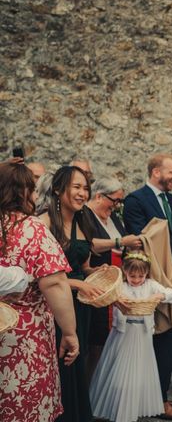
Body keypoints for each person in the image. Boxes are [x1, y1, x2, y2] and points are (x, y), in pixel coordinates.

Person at [123, 153, 172, 420]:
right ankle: (141, 397)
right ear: (156, 172)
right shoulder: (136, 200)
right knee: (150, 339)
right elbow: (142, 242)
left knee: (170, 337)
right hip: (150, 280)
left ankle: (158, 399)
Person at [0, 162, 79, 422]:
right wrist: (69, 333)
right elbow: (55, 283)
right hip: (23, 343)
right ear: (22, 192)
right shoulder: (31, 229)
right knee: (23, 407)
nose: (35, 197)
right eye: (32, 190)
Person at [40, 165, 103, 422]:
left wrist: (97, 272)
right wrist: (77, 284)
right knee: (59, 367)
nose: (82, 193)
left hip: (81, 307)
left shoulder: (84, 219)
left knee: (78, 365)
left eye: (85, 188)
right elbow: (42, 276)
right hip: (54, 306)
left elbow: (83, 267)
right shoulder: (43, 222)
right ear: (57, 189)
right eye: (76, 187)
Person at [90, 251, 172, 422]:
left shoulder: (151, 285)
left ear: (147, 273)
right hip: (122, 335)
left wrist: (160, 295)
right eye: (132, 276)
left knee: (139, 371)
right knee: (120, 371)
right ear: (125, 272)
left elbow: (171, 294)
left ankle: (134, 407)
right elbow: (105, 294)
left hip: (142, 335)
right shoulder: (120, 286)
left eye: (140, 276)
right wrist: (115, 298)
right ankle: (119, 408)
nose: (136, 280)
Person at [85, 177, 142, 376]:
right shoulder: (86, 215)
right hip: (97, 283)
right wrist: (119, 241)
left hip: (116, 283)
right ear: (99, 196)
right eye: (114, 200)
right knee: (96, 342)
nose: (117, 206)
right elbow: (89, 244)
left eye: (120, 202)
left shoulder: (112, 216)